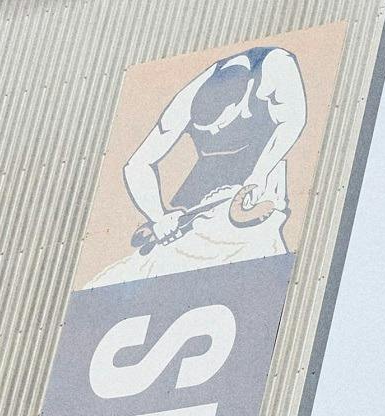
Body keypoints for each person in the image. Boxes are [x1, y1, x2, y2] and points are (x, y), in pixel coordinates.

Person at [101, 43, 306, 282]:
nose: (215, 133)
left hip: (261, 176)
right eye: (206, 131)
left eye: (219, 126)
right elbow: (137, 165)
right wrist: (158, 217)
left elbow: (293, 120)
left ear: (246, 93)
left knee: (256, 255)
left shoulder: (275, 66)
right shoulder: (186, 100)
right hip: (206, 188)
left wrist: (259, 175)